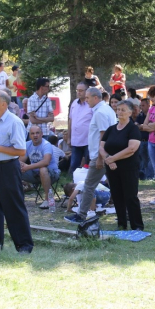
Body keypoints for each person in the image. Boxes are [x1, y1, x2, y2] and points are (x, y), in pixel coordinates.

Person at [0, 90, 34, 253]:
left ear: (3, 104)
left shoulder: (14, 122)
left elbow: (20, 151)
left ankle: (24, 245)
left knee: (13, 207)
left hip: (7, 168)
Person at [64, 87, 116, 224]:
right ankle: (123, 213)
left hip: (101, 155)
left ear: (95, 98)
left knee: (88, 186)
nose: (85, 101)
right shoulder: (106, 109)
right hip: (107, 154)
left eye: (87, 98)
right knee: (114, 184)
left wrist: (100, 157)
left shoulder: (100, 112)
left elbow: (103, 135)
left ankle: (81, 215)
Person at [100, 100, 144, 230]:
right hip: (112, 168)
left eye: (123, 110)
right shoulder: (111, 129)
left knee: (130, 196)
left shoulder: (133, 129)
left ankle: (137, 225)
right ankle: (121, 223)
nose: (119, 112)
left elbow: (131, 149)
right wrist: (108, 160)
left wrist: (112, 158)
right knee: (117, 195)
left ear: (130, 112)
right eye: (118, 109)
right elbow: (101, 147)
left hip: (128, 168)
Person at [20, 125, 61, 209]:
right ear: (30, 135)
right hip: (35, 174)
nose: (35, 135)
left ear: (42, 134)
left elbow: (46, 162)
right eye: (32, 133)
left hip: (51, 173)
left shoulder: (46, 145)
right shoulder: (27, 144)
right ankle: (17, 198)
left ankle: (48, 199)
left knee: (43, 169)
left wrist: (28, 167)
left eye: (37, 133)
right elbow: (21, 160)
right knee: (15, 169)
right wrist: (21, 164)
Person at [67, 82, 92, 173]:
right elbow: (71, 121)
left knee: (89, 164)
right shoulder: (74, 103)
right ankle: (71, 183)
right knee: (74, 165)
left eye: (81, 90)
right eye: (77, 90)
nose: (78, 92)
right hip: (76, 140)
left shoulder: (91, 104)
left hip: (88, 140)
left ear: (87, 91)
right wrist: (69, 137)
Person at [135, 98, 153, 180]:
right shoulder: (140, 116)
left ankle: (150, 176)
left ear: (148, 105)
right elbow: (136, 126)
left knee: (150, 160)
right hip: (142, 141)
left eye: (143, 105)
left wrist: (142, 127)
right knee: (143, 160)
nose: (141, 107)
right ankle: (143, 176)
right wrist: (146, 127)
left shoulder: (152, 115)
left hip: (150, 141)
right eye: (141, 105)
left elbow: (152, 127)